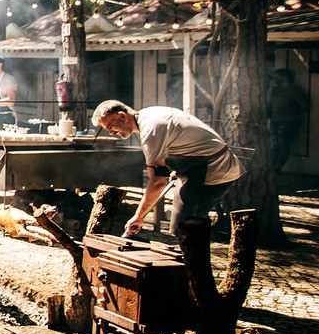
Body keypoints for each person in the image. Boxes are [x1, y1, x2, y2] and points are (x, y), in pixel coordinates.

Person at [92, 100, 245, 237]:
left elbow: (158, 182)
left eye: (110, 126)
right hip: (195, 169)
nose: (111, 132)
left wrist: (138, 216)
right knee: (183, 228)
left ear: (122, 116)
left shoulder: (151, 130)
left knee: (186, 230)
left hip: (215, 169)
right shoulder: (149, 114)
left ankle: (191, 266)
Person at [267, 69, 305, 172]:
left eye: (277, 76)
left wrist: (293, 115)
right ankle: (274, 165)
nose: (275, 79)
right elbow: (269, 101)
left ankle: (278, 165)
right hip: (275, 120)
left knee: (283, 143)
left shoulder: (294, 89)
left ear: (284, 77)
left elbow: (303, 105)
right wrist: (271, 86)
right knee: (275, 144)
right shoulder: (276, 89)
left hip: (288, 120)